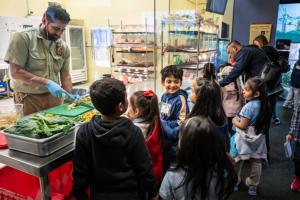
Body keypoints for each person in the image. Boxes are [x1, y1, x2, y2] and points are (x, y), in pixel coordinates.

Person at [72, 78, 159, 200]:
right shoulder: (134, 132)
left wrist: (80, 196)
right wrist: (153, 192)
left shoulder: (84, 131)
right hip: (130, 194)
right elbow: (145, 167)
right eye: (126, 96)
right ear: (120, 106)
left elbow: (80, 170)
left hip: (98, 194)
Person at [4, 6, 80, 116]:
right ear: (44, 20)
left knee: (58, 127)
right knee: (32, 131)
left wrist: (69, 96)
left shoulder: (62, 46)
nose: (59, 34)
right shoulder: (23, 38)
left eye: (63, 30)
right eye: (56, 28)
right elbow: (16, 72)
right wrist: (46, 83)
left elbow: (65, 76)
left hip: (54, 97)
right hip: (28, 97)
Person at [159, 116, 237, 200]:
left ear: (183, 145)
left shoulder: (173, 173)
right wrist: (217, 149)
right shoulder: (221, 170)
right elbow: (232, 162)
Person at [220, 40, 275, 159]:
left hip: (262, 92)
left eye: (230, 52)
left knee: (257, 123)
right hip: (266, 92)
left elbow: (237, 70)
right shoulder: (251, 49)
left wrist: (221, 83)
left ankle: (254, 153)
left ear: (235, 48)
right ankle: (260, 153)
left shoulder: (243, 52)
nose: (230, 56)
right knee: (261, 122)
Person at [230, 77, 270, 196]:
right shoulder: (265, 105)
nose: (243, 92)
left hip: (243, 140)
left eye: (246, 90)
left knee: (237, 160)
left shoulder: (248, 107)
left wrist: (234, 121)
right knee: (256, 161)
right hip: (258, 139)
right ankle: (253, 186)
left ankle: (235, 182)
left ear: (256, 93)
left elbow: (243, 125)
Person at [126, 90, 165, 192]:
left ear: (137, 111)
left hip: (143, 178)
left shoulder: (135, 130)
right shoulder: (156, 120)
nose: (128, 109)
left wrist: (132, 124)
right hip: (157, 170)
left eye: (130, 106)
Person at [160, 65, 190, 176]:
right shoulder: (164, 96)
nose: (172, 85)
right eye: (169, 81)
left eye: (176, 82)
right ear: (163, 82)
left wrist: (163, 123)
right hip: (165, 135)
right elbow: (163, 113)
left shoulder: (180, 99)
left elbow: (181, 121)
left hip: (174, 140)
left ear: (181, 83)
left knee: (171, 167)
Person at [188, 77, 230, 151]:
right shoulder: (221, 116)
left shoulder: (196, 123)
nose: (190, 94)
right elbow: (226, 140)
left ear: (198, 97)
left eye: (192, 91)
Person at [253, 35, 282, 125]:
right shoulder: (271, 48)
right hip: (276, 75)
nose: (255, 45)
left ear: (260, 41)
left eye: (256, 43)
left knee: (268, 99)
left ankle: (265, 122)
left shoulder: (264, 49)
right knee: (272, 98)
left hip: (269, 76)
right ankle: (275, 118)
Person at [219, 64, 245, 136]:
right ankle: (234, 146)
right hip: (237, 113)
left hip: (226, 113)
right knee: (235, 133)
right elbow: (243, 99)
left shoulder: (222, 86)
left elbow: (220, 100)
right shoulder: (239, 85)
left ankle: (227, 146)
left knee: (226, 133)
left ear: (224, 76)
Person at [286, 102, 300, 192]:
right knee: (298, 158)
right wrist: (291, 132)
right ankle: (298, 178)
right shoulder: (299, 103)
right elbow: (295, 118)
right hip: (299, 138)